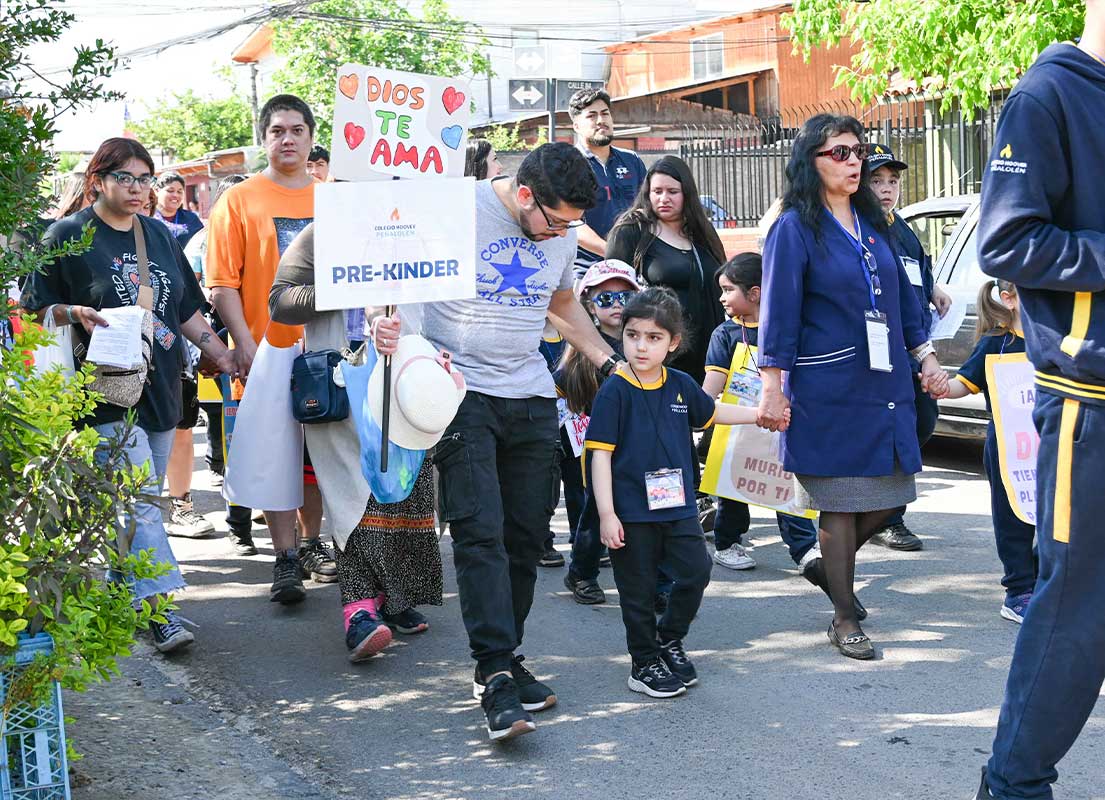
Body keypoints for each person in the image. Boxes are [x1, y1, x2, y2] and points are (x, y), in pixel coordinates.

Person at [425, 142, 622, 741]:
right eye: (555, 222)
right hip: (460, 389)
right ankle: (493, 674)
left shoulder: (561, 228)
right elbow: (400, 280)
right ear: (525, 194)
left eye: (572, 225)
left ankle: (506, 654)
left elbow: (562, 301)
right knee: (480, 531)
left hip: (531, 392)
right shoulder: (454, 209)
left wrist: (610, 363)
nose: (562, 234)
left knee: (527, 535)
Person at [20, 137, 235, 654]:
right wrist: (73, 313)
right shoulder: (67, 235)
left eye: (145, 179)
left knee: (136, 505)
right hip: (104, 391)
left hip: (160, 384)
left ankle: (124, 595)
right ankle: (162, 612)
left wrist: (222, 354)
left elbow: (184, 309)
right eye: (125, 178)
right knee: (137, 503)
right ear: (98, 181)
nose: (138, 189)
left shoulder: (157, 234)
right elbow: (33, 307)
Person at [971, 6, 1105, 796]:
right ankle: (1013, 785)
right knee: (1075, 610)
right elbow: (1004, 241)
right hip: (1089, 402)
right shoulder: (1047, 94)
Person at [757, 114, 948, 661]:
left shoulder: (873, 223)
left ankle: (827, 567)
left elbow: (904, 300)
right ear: (810, 161)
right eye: (839, 152)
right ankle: (844, 617)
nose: (853, 162)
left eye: (857, 151)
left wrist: (927, 358)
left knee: (891, 495)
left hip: (885, 381)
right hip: (828, 384)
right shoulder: (794, 226)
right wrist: (773, 386)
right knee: (838, 504)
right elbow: (778, 312)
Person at [269, 223, 444, 660]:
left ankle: (394, 595)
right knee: (353, 499)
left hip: (409, 377)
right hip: (340, 381)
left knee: (407, 490)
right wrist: (347, 286)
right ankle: (359, 611)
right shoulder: (322, 231)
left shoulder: (422, 224)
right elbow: (281, 302)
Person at [587, 287, 772, 698]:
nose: (641, 346)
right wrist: (607, 514)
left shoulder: (681, 384)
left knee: (696, 571)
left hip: (678, 506)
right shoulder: (615, 390)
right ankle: (643, 662)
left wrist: (759, 415)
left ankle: (669, 639)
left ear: (672, 343)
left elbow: (712, 412)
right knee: (637, 592)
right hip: (631, 512)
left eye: (653, 338)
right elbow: (599, 456)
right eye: (633, 335)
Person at [205, 94, 335, 598]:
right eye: (278, 130)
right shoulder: (239, 200)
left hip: (327, 349)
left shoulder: (333, 199)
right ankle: (285, 557)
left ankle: (312, 543)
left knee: (317, 457)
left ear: (311, 137)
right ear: (264, 138)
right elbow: (223, 284)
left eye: (297, 130)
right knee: (275, 454)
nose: (287, 139)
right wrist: (245, 344)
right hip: (267, 351)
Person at [701, 253, 822, 578]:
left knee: (788, 486)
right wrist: (698, 409)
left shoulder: (790, 329)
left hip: (785, 425)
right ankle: (727, 542)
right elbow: (711, 386)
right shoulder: (725, 334)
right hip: (738, 427)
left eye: (728, 289)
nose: (722, 297)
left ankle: (805, 548)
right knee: (733, 487)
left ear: (754, 293)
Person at [865, 145, 952, 552]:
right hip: (881, 347)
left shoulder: (899, 225)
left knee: (922, 421)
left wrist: (933, 289)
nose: (887, 189)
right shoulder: (859, 226)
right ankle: (886, 518)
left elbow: (916, 267)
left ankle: (879, 510)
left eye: (893, 181)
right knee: (894, 429)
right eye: (877, 180)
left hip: (914, 345)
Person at [942, 280, 1035, 624]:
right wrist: (937, 384)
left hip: (1052, 447)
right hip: (1009, 450)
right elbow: (962, 385)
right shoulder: (996, 343)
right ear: (1009, 299)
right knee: (1013, 522)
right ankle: (1019, 591)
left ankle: (1043, 579)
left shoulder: (1055, 339)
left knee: (1058, 518)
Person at [558, 259, 639, 603]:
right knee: (594, 510)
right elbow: (561, 391)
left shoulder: (643, 341)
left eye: (626, 297)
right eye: (606, 299)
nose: (617, 305)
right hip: (598, 445)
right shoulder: (582, 351)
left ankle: (658, 582)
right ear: (590, 306)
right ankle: (582, 572)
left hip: (640, 442)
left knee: (649, 509)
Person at [605, 155, 726, 384]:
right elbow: (612, 293)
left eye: (672, 192)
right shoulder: (632, 230)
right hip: (658, 355)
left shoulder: (702, 231)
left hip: (709, 354)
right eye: (657, 191)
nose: (664, 198)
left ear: (687, 193)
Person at [568, 88, 647, 274]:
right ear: (576, 126)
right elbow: (571, 224)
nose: (601, 121)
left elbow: (648, 209)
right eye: (592, 116)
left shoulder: (632, 160)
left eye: (605, 114)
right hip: (588, 271)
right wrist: (615, 253)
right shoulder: (568, 164)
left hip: (635, 268)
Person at [153, 171, 204, 248]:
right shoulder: (147, 219)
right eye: (170, 191)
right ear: (156, 191)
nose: (176, 195)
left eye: (179, 192)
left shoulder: (191, 219)